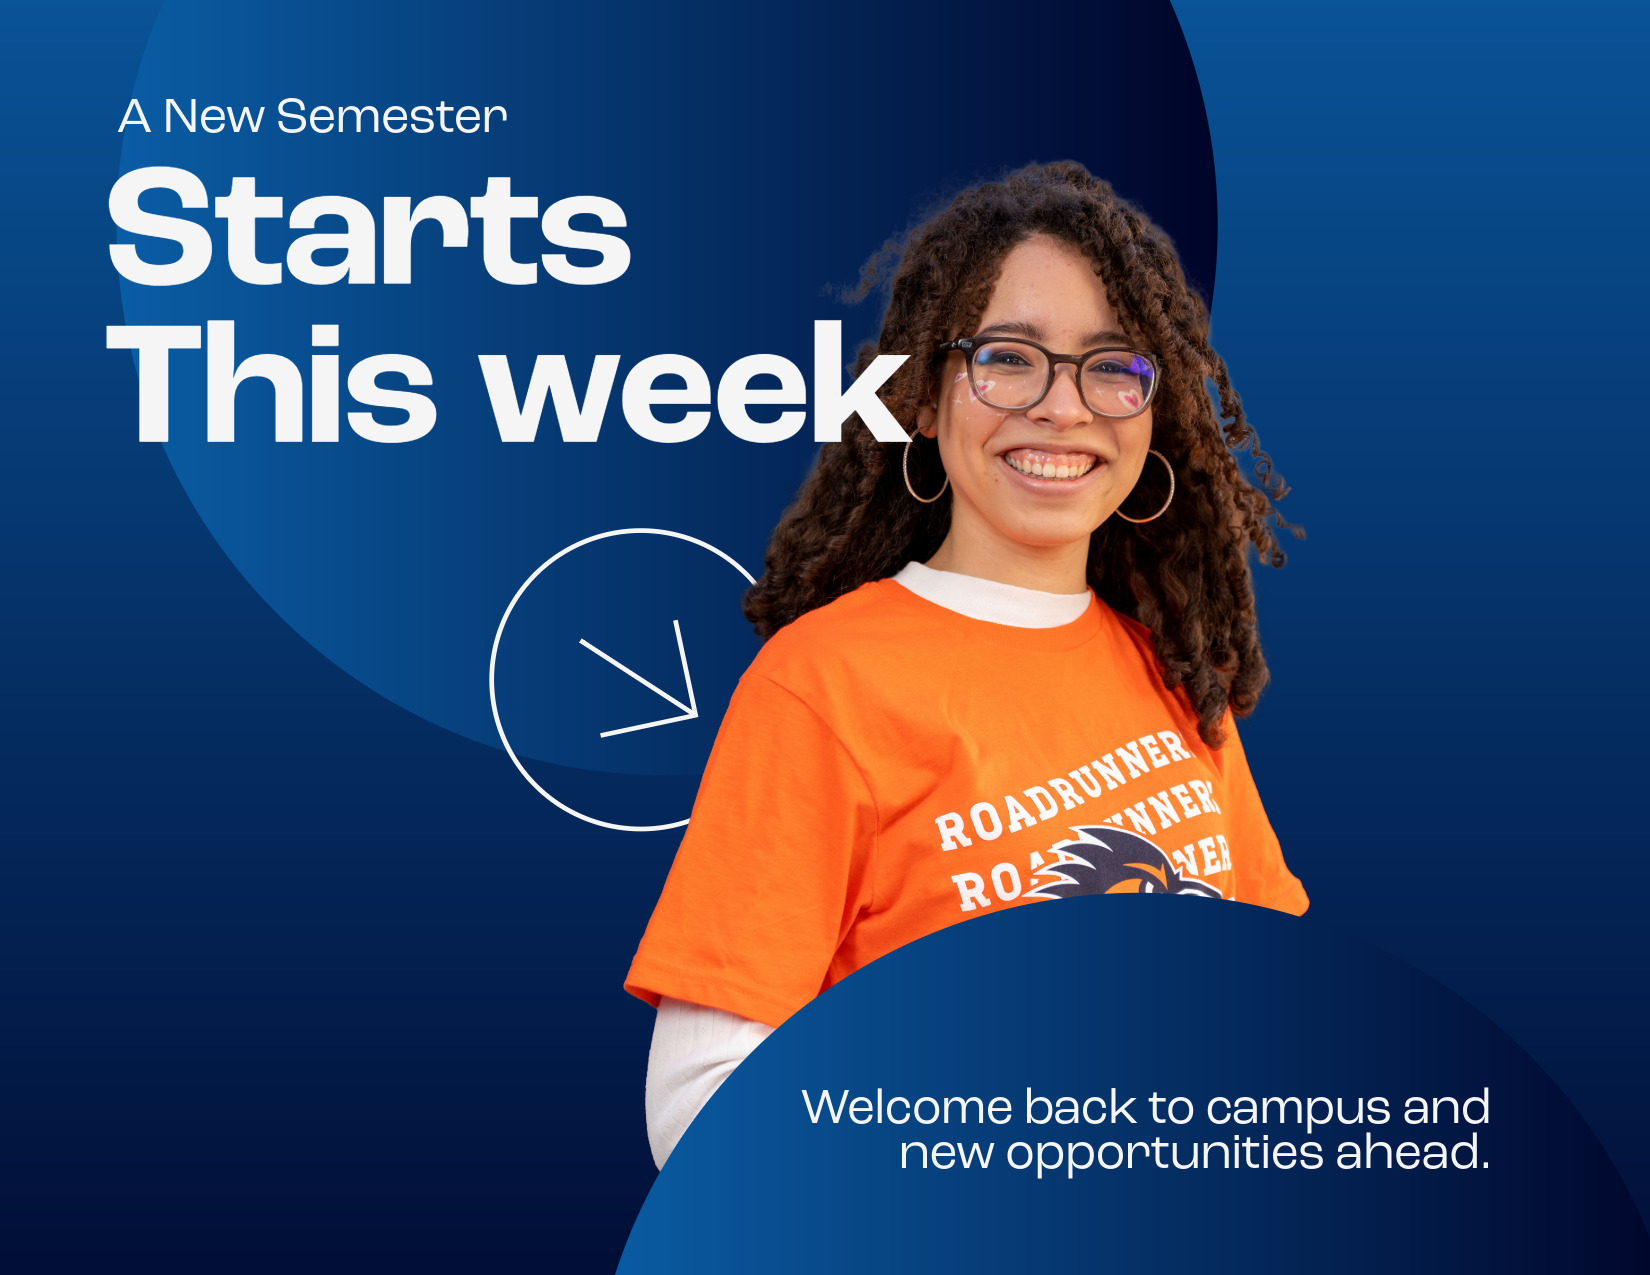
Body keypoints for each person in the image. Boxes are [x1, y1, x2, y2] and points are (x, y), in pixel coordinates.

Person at [624, 162, 1308, 1167]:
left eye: (1113, 366)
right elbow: (700, 1109)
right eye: (1009, 358)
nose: (1063, 409)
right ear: (927, 400)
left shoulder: (1171, 668)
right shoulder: (823, 683)